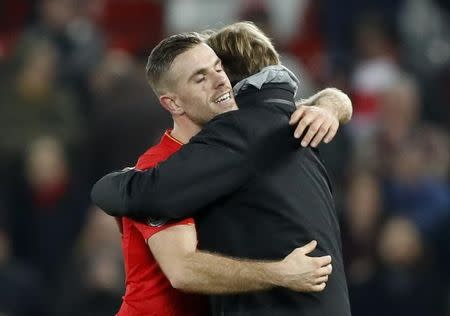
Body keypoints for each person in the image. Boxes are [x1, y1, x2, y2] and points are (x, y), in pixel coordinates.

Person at [93, 22, 352, 316]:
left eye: (218, 68)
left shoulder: (245, 141)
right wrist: (279, 272)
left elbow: (279, 119)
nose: (219, 81)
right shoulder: (161, 167)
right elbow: (182, 269)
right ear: (173, 103)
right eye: (200, 78)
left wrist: (331, 105)